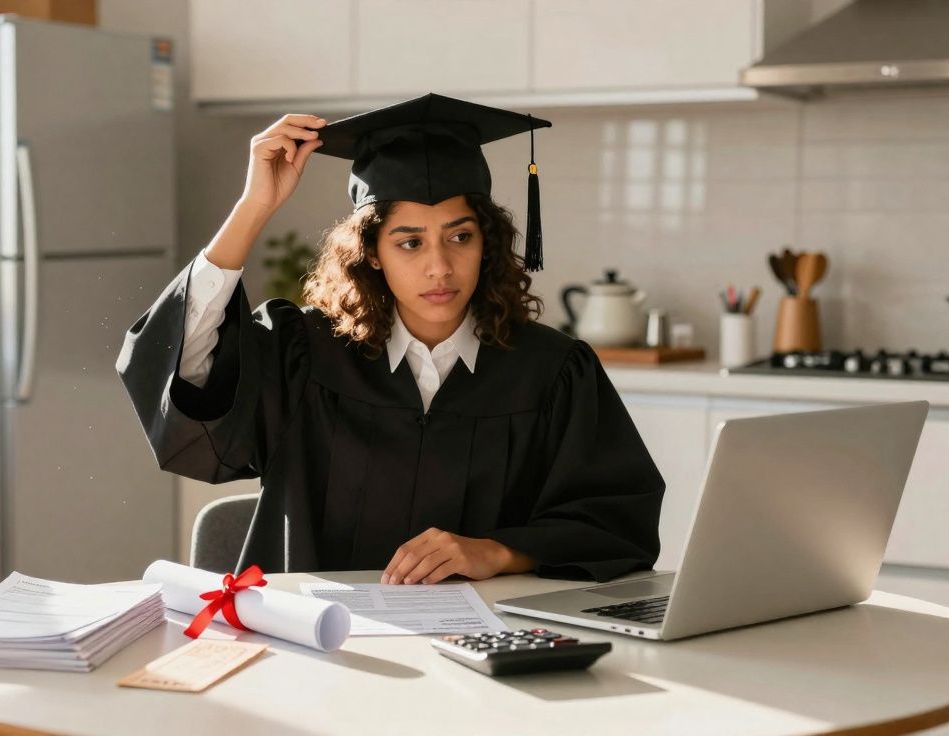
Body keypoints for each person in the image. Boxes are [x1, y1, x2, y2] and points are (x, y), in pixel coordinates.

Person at [117, 93, 664, 586]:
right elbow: (182, 376)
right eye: (409, 243)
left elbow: (617, 523)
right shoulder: (302, 353)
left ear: (487, 243)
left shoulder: (552, 370)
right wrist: (253, 207)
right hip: (320, 649)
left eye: (460, 236)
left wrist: (498, 552)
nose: (440, 267)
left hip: (482, 650)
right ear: (372, 253)